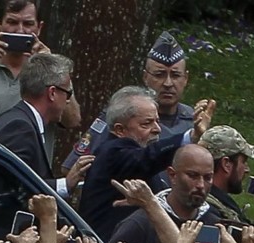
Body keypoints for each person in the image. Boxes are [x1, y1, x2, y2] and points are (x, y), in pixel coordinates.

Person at [78, 86, 212, 242]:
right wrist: (191, 136)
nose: (157, 129)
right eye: (146, 124)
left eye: (157, 121)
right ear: (120, 130)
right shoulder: (113, 152)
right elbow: (147, 158)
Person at [63, 31, 197, 177]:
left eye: (176, 75)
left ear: (186, 78)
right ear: (145, 77)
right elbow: (72, 168)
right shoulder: (120, 115)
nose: (168, 83)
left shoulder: (192, 119)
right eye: (159, 75)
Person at [0, 54, 92, 199]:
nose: (68, 102)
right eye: (68, 94)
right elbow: (14, 188)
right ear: (52, 93)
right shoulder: (19, 127)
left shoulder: (18, 119)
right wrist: (65, 184)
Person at [106, 144, 220, 243]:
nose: (200, 185)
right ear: (172, 175)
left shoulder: (214, 224)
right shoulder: (140, 225)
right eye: (192, 176)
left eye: (207, 178)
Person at [197, 125, 254, 225]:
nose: (247, 169)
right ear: (226, 164)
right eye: (244, 161)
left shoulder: (199, 200)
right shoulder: (213, 213)